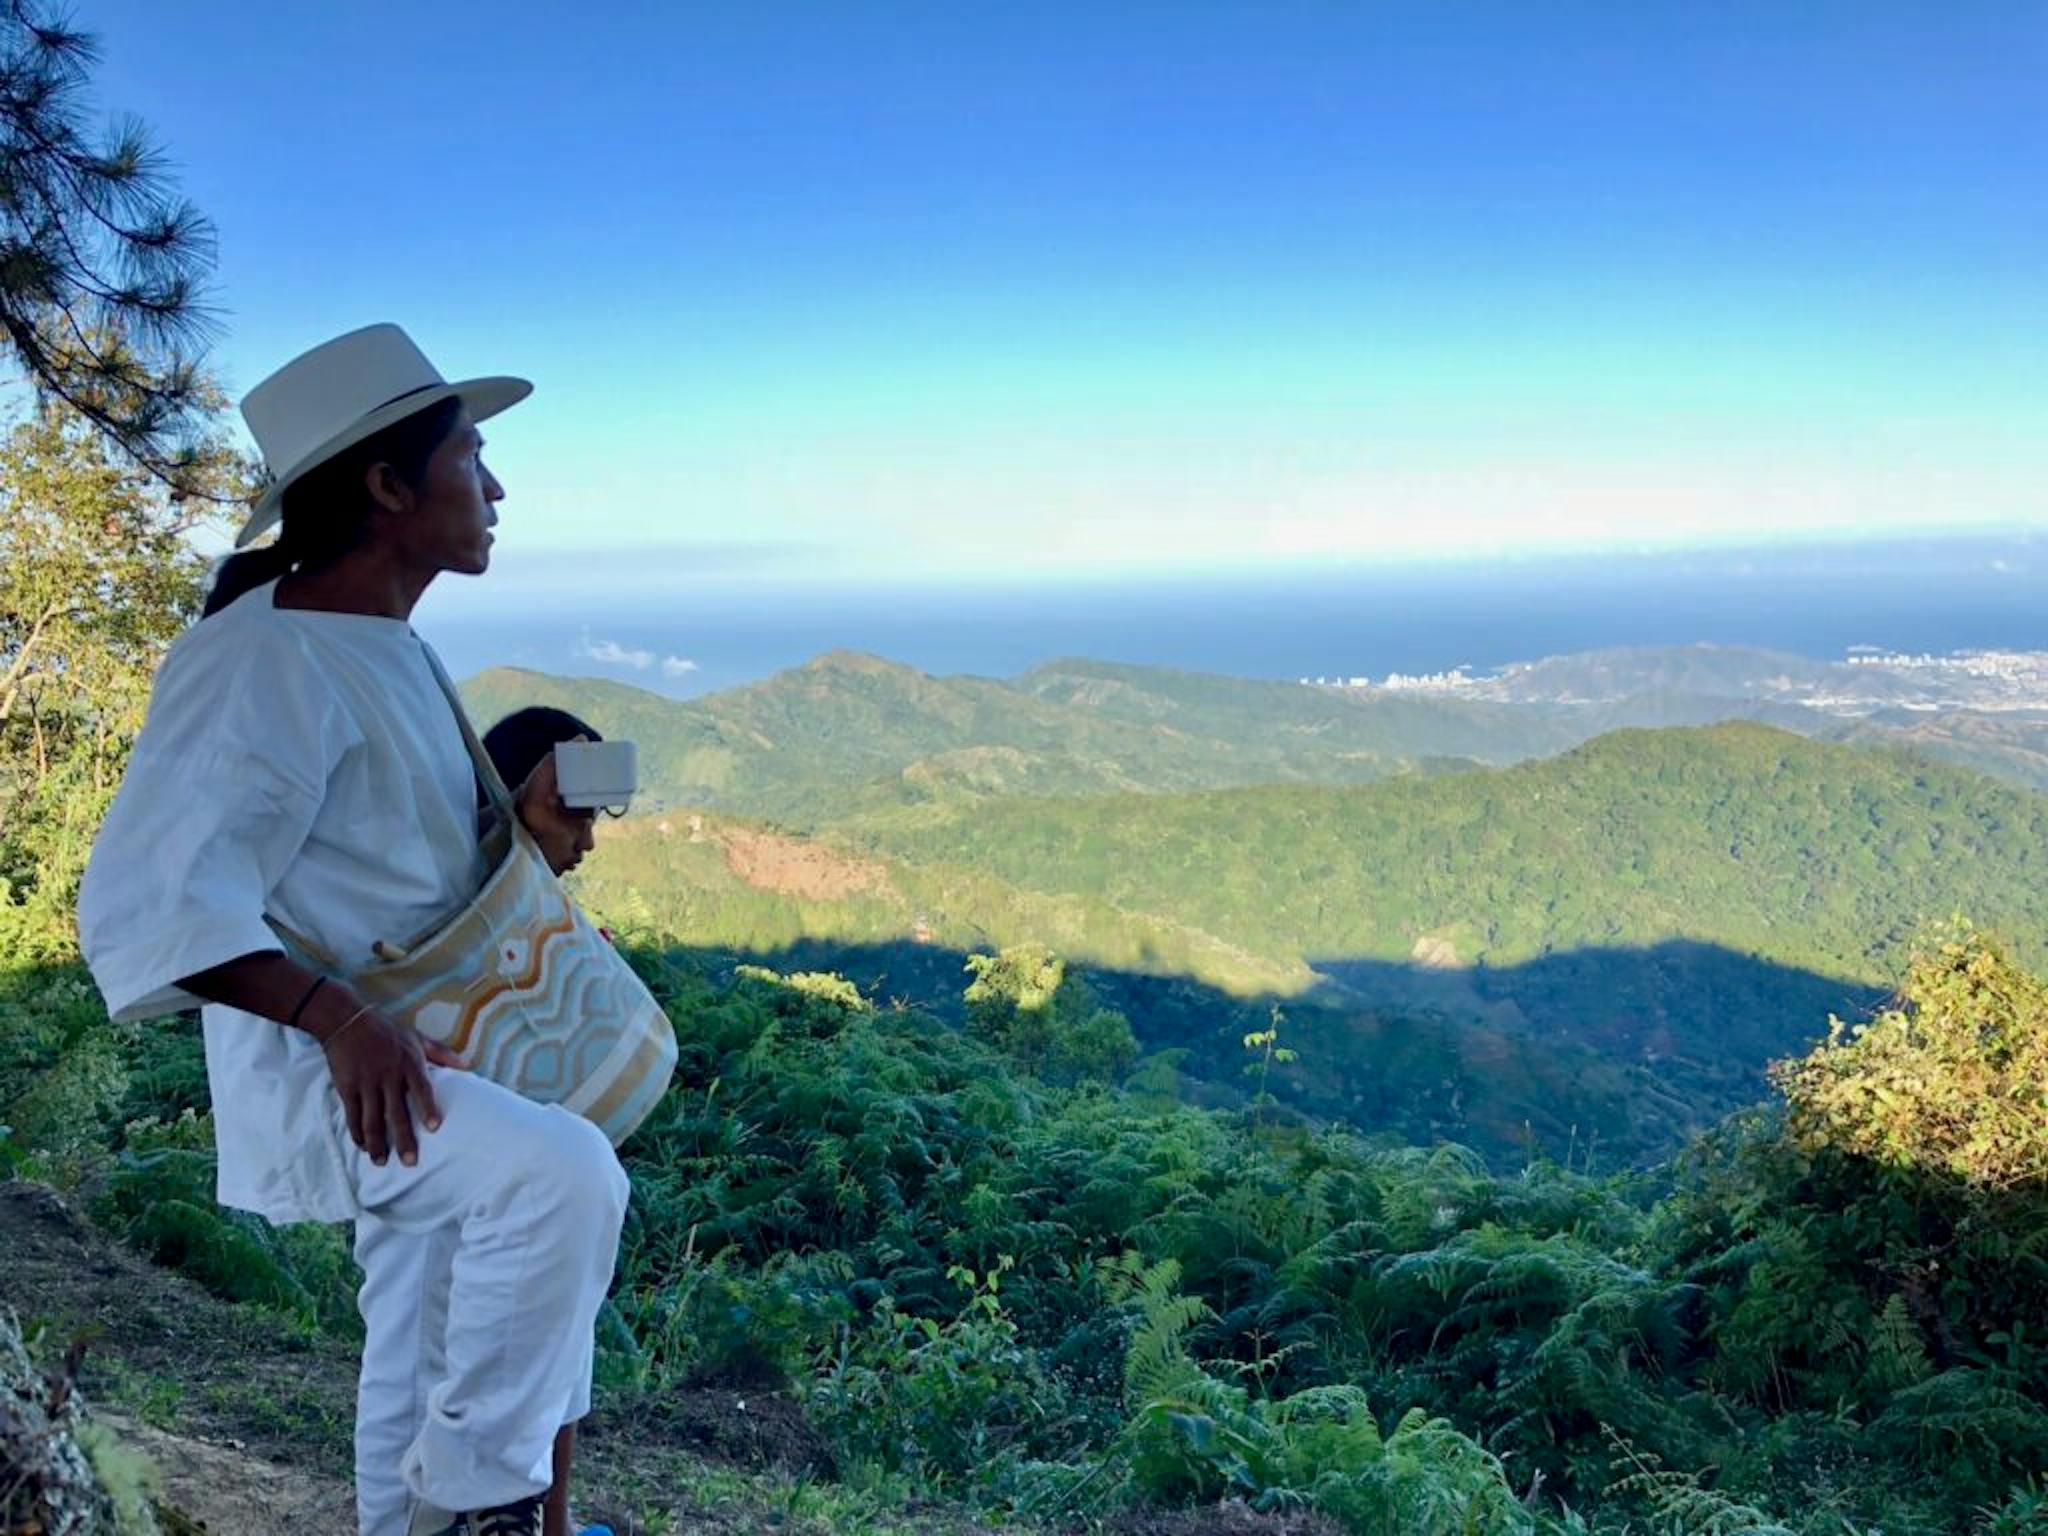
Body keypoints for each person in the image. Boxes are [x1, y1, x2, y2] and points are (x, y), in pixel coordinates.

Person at [77, 324, 627, 1536]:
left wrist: (514, 825)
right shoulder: (259, 662)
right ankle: (484, 1511)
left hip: (416, 1049)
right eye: (469, 457)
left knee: (425, 1325)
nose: (494, 488)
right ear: (386, 487)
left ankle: (412, 1523)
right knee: (561, 1180)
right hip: (353, 1064)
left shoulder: (379, 643)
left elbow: (381, 854)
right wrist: (339, 1022)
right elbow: (144, 900)